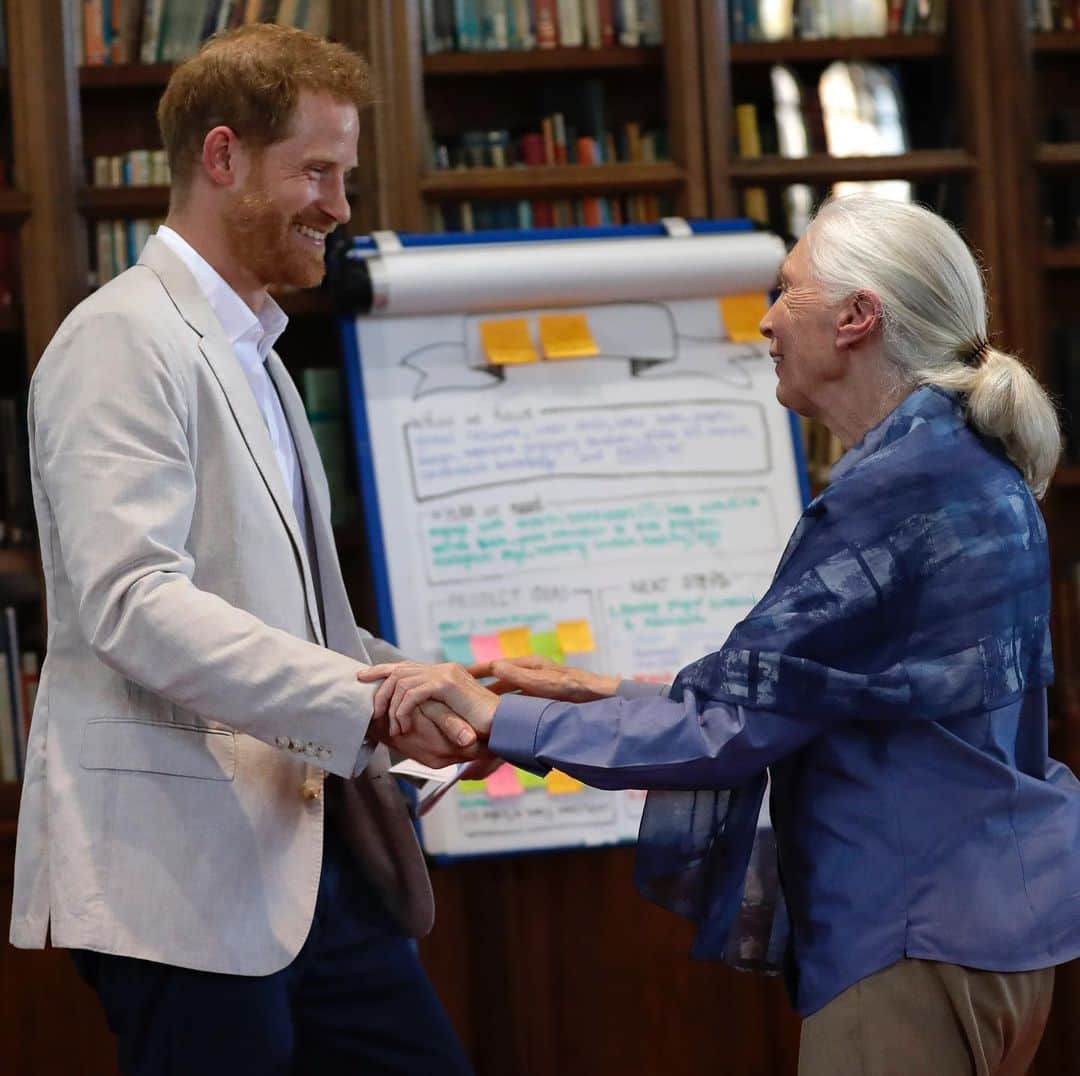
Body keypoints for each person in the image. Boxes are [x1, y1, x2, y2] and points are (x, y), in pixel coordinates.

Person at [363, 195, 1080, 1076]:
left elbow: (730, 729)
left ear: (858, 317)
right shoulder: (965, 464)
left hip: (911, 933)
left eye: (787, 289)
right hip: (997, 924)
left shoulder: (896, 490)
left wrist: (502, 722)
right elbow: (822, 690)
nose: (767, 318)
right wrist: (601, 692)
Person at [9, 25, 479, 1076]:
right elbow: (131, 599)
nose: (341, 206)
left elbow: (294, 612)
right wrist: (365, 700)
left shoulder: (254, 346)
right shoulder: (120, 339)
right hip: (180, 873)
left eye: (343, 174)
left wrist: (432, 689)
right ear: (222, 158)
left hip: (312, 859)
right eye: (317, 170)